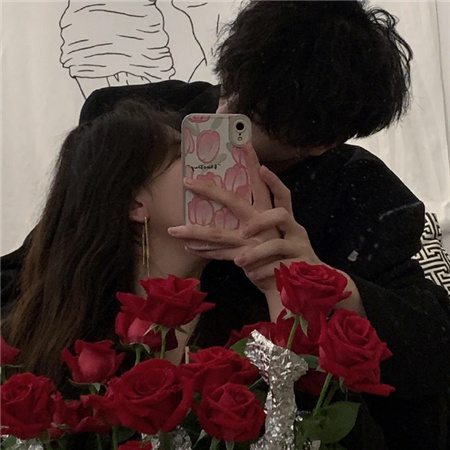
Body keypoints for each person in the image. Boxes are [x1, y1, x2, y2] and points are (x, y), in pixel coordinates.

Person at [164, 2, 450, 450]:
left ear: (324, 143)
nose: (226, 115)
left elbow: (432, 342)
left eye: (256, 122)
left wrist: (324, 283)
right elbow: (54, 264)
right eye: (230, 92)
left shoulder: (359, 190)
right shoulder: (151, 123)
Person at [1, 96, 220, 389]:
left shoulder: (249, 302)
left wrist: (276, 284)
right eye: (184, 157)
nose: (211, 171)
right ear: (134, 204)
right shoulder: (41, 353)